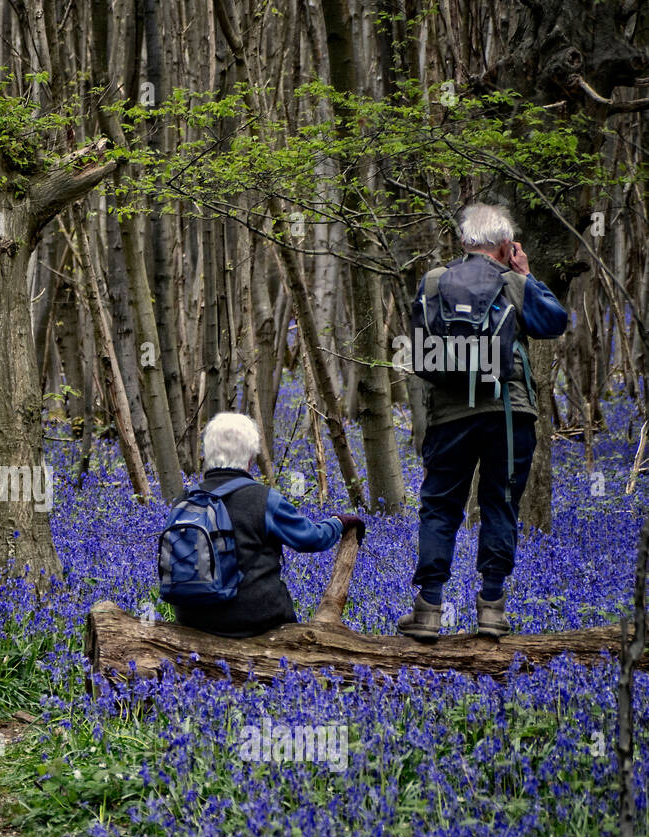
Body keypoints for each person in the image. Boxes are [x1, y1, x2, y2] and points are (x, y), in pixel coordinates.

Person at [398, 203, 568, 641]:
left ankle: (429, 609)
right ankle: (491, 609)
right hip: (507, 412)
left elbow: (419, 350)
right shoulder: (513, 282)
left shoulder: (434, 281)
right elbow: (554, 321)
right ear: (506, 246)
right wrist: (526, 274)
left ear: (464, 242)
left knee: (439, 506)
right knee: (500, 504)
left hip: (448, 416)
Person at [169, 412, 365, 638]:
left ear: (207, 454)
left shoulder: (184, 500)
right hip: (254, 619)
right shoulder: (264, 499)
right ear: (250, 458)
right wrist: (338, 522)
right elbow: (312, 539)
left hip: (192, 619)